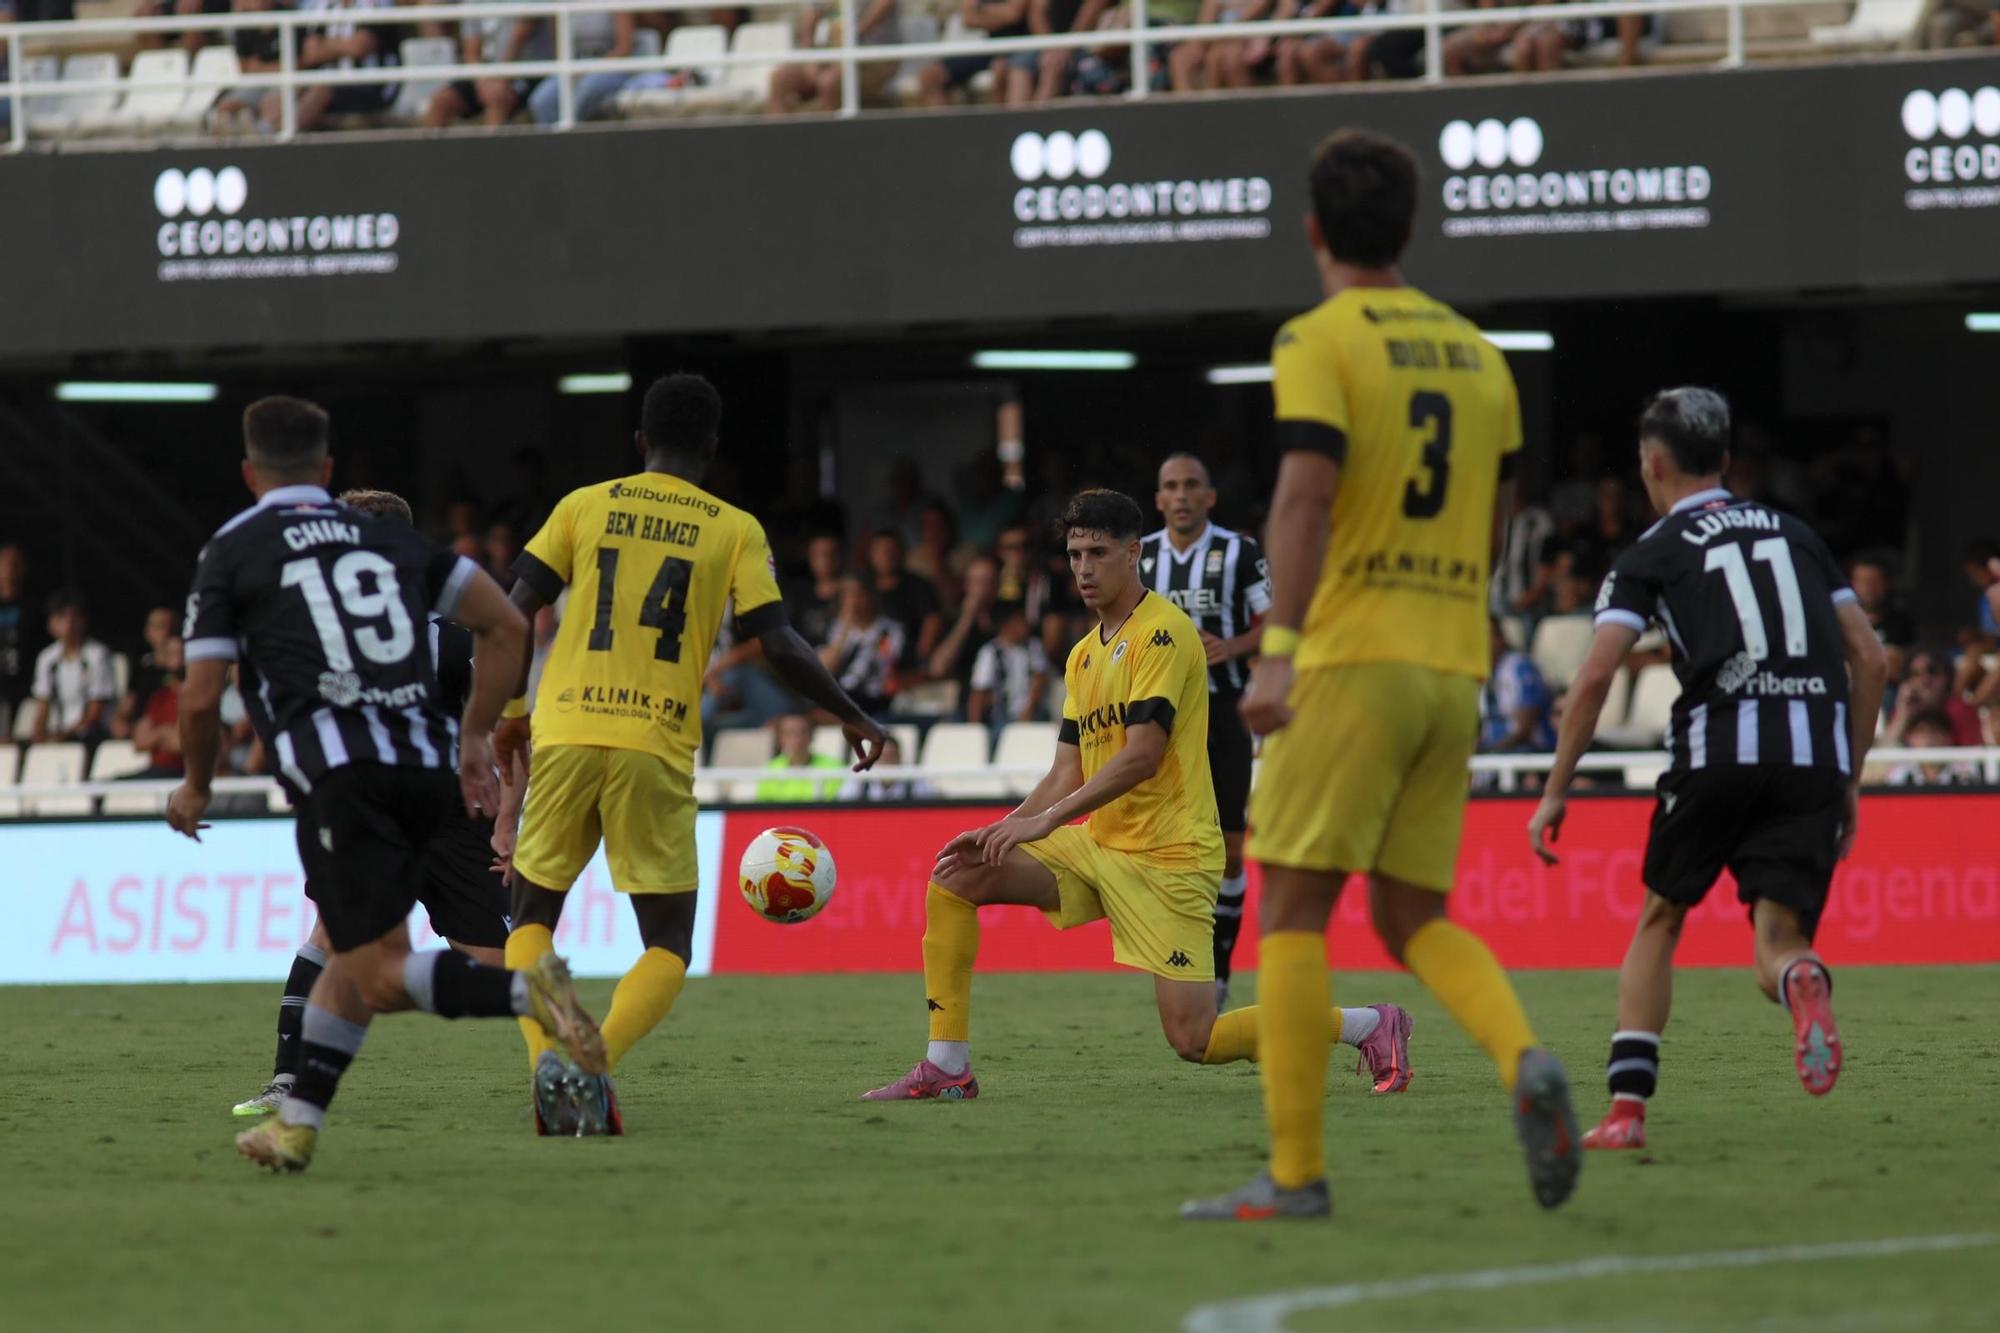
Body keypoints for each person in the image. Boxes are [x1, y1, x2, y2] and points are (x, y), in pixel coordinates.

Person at [1182, 130, 1578, 1224]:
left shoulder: (1317, 339)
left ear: (1312, 230)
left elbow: (1306, 495)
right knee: (1411, 915)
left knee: (1291, 911)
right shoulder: (1480, 355)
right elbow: (1496, 517)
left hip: (1351, 662)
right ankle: (1523, 1058)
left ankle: (1295, 1175)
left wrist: (1278, 651)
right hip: (1451, 666)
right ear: (1409, 227)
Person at [168, 397, 601, 1174]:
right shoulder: (397, 546)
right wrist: (478, 734)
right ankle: (296, 1124)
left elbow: (200, 698)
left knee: (374, 970)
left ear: (249, 472)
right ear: (327, 468)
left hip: (346, 781)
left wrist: (196, 785)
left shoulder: (237, 549)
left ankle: (529, 990)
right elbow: (510, 623)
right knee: (350, 956)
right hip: (436, 776)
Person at [862, 490, 1411, 1103]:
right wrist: (1004, 827)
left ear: (1133, 553)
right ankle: (947, 1066)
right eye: (1075, 555)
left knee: (1195, 1039)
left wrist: (1044, 823)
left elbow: (1142, 756)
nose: (1084, 568)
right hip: (1101, 846)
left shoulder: (1164, 634)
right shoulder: (1082, 655)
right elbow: (1066, 769)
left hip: (1170, 857)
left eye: (1098, 553)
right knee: (956, 876)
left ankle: (1368, 1024)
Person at [494, 374, 887, 1136]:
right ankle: (592, 1062)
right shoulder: (733, 528)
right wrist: (849, 711)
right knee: (668, 940)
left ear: (640, 441)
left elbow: (513, 613)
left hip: (565, 730)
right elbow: (778, 640)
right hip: (655, 740)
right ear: (712, 447)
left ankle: (546, 1056)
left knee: (530, 914)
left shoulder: (583, 505)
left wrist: (512, 714)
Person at [1526, 388, 1887, 1152]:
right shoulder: (1798, 535)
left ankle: (1627, 1110)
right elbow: (1870, 654)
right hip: (1811, 756)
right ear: (1724, 458)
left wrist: (1555, 789)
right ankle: (1798, 978)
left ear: (1653, 464)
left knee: (1662, 916)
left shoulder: (1651, 552)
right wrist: (1849, 776)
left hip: (1717, 750)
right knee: (1777, 941)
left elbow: (1594, 676)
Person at [227, 488, 518, 1125]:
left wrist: (508, 818)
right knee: (334, 938)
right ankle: (287, 1081)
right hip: (392, 807)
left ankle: (539, 1016)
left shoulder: (444, 639)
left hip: (436, 812)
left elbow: (512, 733)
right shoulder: (429, 633)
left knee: (489, 967)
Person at [1140, 453, 1271, 1008]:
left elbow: (1276, 623)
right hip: (1158, 717)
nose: (1182, 495)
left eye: (1192, 485)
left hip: (1223, 713)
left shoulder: (1240, 552)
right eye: (1171, 486)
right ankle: (1178, 962)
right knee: (1163, 846)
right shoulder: (1140, 555)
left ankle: (1218, 971)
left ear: (1210, 497)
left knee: (1232, 850)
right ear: (1159, 499)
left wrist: (1232, 646)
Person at [30, 588, 117, 746]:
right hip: (62, 732)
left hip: (92, 735)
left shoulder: (97, 655)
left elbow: (95, 713)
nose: (69, 623)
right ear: (51, 623)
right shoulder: (46, 658)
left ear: (83, 620)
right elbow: (42, 706)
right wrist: (39, 735)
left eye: (74, 617)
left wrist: (65, 735)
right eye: (61, 617)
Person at [820, 576, 904, 717]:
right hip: (841, 698)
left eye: (858, 594)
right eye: (847, 595)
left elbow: (886, 670)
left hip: (875, 699)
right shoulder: (834, 628)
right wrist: (845, 628)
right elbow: (826, 668)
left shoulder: (889, 630)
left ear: (870, 596)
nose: (853, 601)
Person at [965, 603, 1049, 728]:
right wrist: (975, 729)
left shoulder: (1033, 647)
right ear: (1007, 624)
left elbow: (1040, 679)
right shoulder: (990, 652)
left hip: (1033, 715)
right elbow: (979, 692)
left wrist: (1028, 712)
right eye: (1020, 620)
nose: (1026, 624)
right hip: (1001, 719)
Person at [1480, 617, 1555, 755]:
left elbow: (1524, 729)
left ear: (1501, 638)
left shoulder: (1521, 668)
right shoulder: (1475, 675)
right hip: (1490, 756)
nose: (1480, 643)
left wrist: (1491, 753)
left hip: (1529, 754)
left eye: (1486, 635)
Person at [113, 607, 178, 740]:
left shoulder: (184, 669)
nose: (167, 632)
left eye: (172, 627)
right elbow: (129, 702)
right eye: (160, 626)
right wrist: (120, 720)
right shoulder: (143, 667)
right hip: (142, 732)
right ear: (148, 633)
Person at [127, 636, 186, 778]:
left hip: (184, 773)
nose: (176, 659)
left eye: (181, 653)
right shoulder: (159, 697)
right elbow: (139, 742)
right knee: (102, 786)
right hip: (156, 772)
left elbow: (184, 744)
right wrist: (164, 733)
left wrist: (156, 736)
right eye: (171, 653)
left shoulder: (198, 696)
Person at [755, 711, 846, 802]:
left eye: (802, 732)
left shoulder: (834, 768)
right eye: (789, 732)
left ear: (811, 736)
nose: (797, 738)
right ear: (780, 738)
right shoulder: (770, 770)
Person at [1885, 711, 1977, 786]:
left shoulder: (1965, 772)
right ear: (1910, 738)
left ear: (1948, 737)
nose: (1929, 738)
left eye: (1935, 730)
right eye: (1922, 731)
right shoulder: (1900, 773)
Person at [840, 736, 936, 801]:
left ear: (900, 757)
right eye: (883, 756)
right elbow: (843, 808)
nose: (887, 761)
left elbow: (929, 810)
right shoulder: (859, 780)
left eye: (891, 756)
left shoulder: (914, 780)